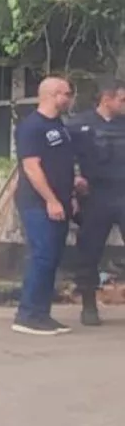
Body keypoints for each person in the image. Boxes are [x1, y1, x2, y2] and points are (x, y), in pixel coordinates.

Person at [12, 76, 77, 335]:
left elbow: (60, 164)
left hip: (60, 201)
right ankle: (27, 314)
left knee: (52, 259)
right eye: (67, 94)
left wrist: (71, 192)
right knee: (42, 256)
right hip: (38, 203)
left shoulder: (59, 125)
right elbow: (31, 167)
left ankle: (42, 314)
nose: (70, 99)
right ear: (53, 94)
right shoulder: (32, 126)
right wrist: (50, 200)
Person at [69, 76, 125, 326]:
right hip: (95, 196)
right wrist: (74, 179)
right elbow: (61, 157)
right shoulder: (78, 125)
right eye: (122, 99)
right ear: (107, 98)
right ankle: (89, 306)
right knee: (89, 252)